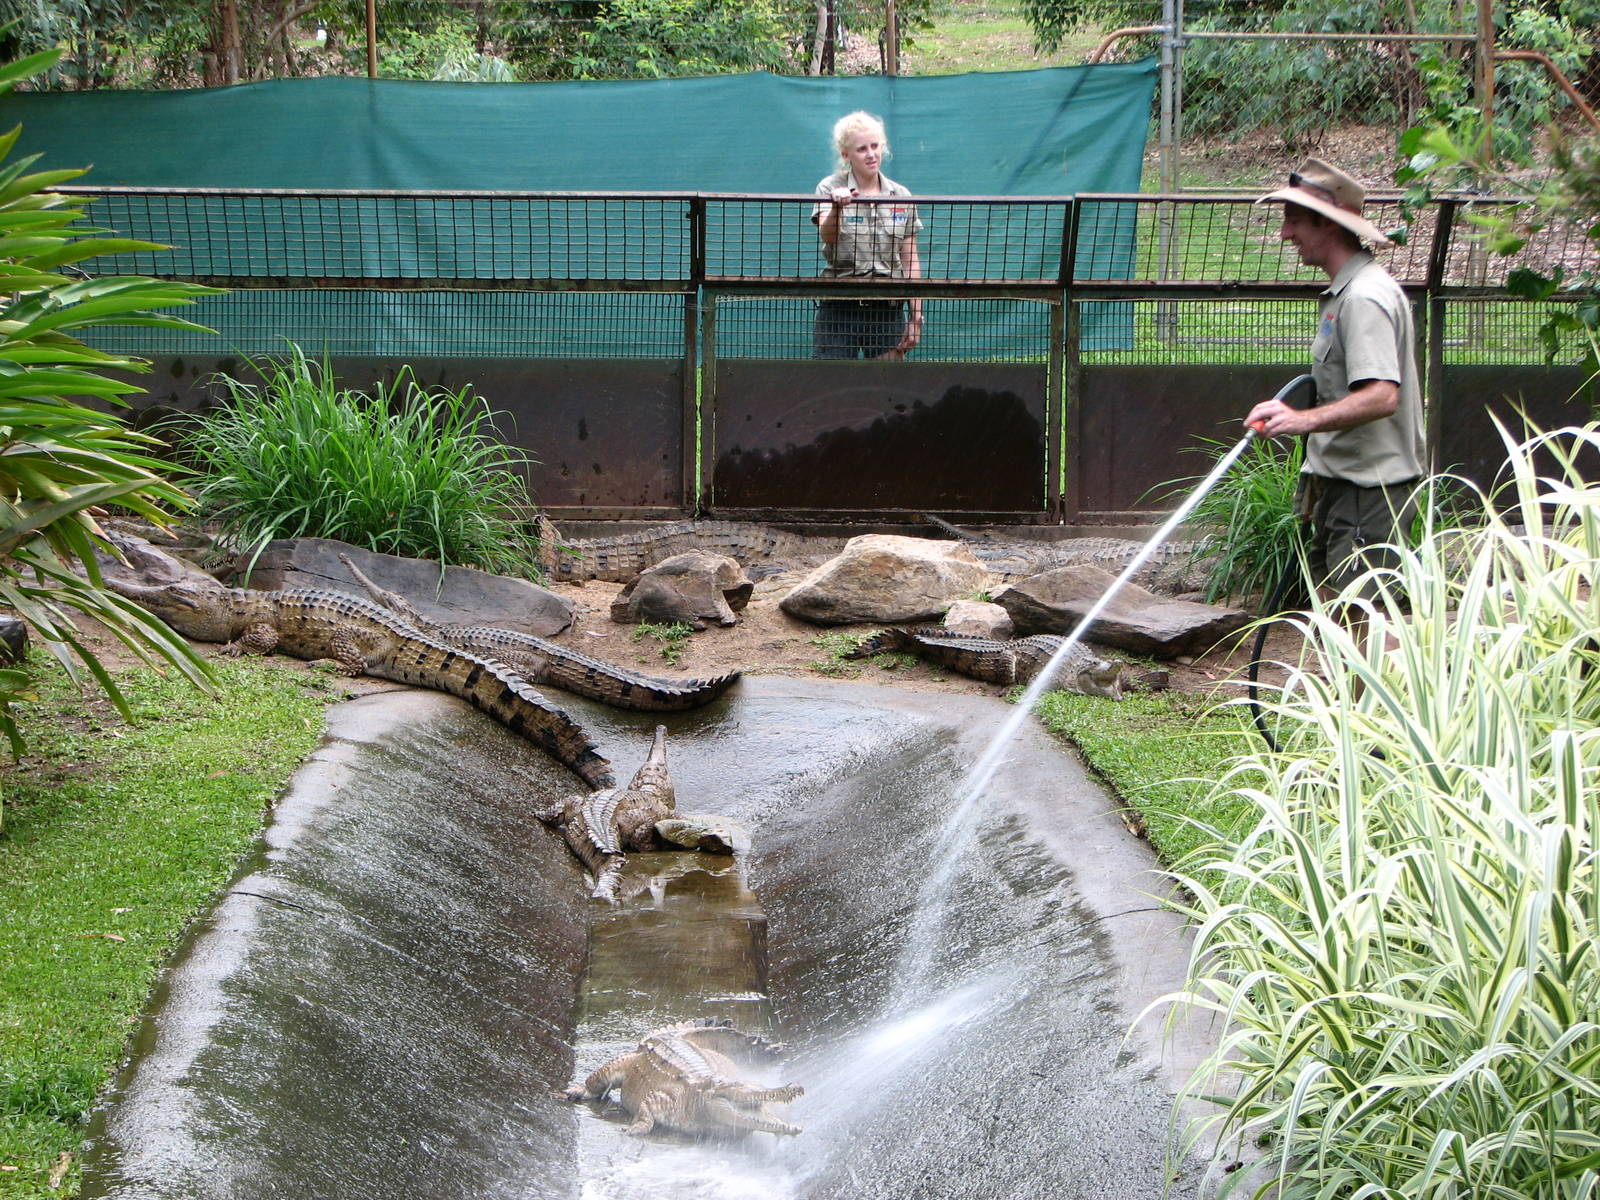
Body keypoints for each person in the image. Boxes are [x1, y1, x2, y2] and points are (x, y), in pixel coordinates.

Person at [1244, 157, 1426, 604]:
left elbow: (1382, 396)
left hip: (1370, 489)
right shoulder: (1347, 292)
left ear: (1328, 224)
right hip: (1347, 485)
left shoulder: (1364, 297)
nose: (1285, 234)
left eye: (1293, 220)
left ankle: (1381, 679)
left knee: (1371, 611)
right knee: (1343, 609)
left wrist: (1299, 421)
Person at [811, 110, 923, 360]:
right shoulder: (829, 188)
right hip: (839, 307)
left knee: (888, 392)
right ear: (846, 155)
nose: (871, 154)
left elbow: (910, 260)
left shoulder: (901, 196)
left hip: (886, 309)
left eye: (875, 146)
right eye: (862, 149)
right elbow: (827, 236)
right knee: (830, 387)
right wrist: (838, 208)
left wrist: (916, 315)